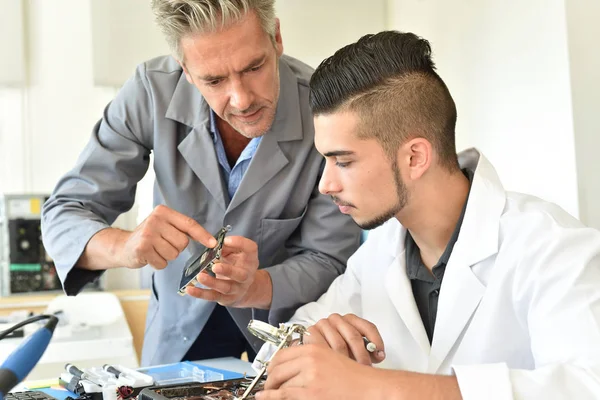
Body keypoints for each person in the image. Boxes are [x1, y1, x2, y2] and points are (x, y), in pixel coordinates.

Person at [254, 31, 600, 399]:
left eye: (343, 161)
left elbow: (589, 385)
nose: (326, 184)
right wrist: (310, 340)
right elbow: (269, 360)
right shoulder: (379, 255)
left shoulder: (553, 247)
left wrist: (373, 387)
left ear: (415, 157)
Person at [40, 0, 361, 367]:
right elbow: (65, 214)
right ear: (186, 71)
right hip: (176, 335)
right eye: (214, 80)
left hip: (287, 332)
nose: (241, 99)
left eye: (254, 67)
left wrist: (252, 285)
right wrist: (124, 246)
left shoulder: (326, 108)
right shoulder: (150, 92)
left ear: (276, 38)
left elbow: (330, 259)